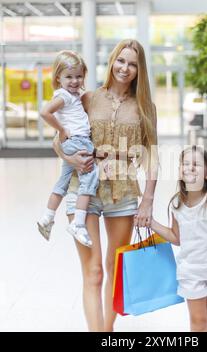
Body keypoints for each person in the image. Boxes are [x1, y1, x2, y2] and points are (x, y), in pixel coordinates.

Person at [53, 39, 158, 332]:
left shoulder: (145, 107)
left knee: (114, 269)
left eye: (133, 64)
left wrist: (148, 199)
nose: (125, 68)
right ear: (112, 62)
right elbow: (59, 138)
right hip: (83, 189)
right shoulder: (87, 98)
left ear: (140, 70)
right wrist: (69, 156)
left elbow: (152, 154)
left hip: (123, 193)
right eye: (121, 61)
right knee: (94, 271)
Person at [151, 146, 207, 332]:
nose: (189, 168)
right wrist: (152, 224)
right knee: (199, 322)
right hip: (190, 271)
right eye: (185, 164)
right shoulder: (177, 204)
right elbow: (176, 237)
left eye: (196, 164)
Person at [38, 50, 99, 248]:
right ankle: (78, 223)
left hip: (74, 143)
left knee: (63, 181)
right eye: (69, 77)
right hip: (78, 141)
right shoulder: (65, 96)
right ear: (58, 77)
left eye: (79, 76)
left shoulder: (72, 95)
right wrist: (62, 129)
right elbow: (45, 112)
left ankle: (47, 217)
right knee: (90, 178)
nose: (74, 81)